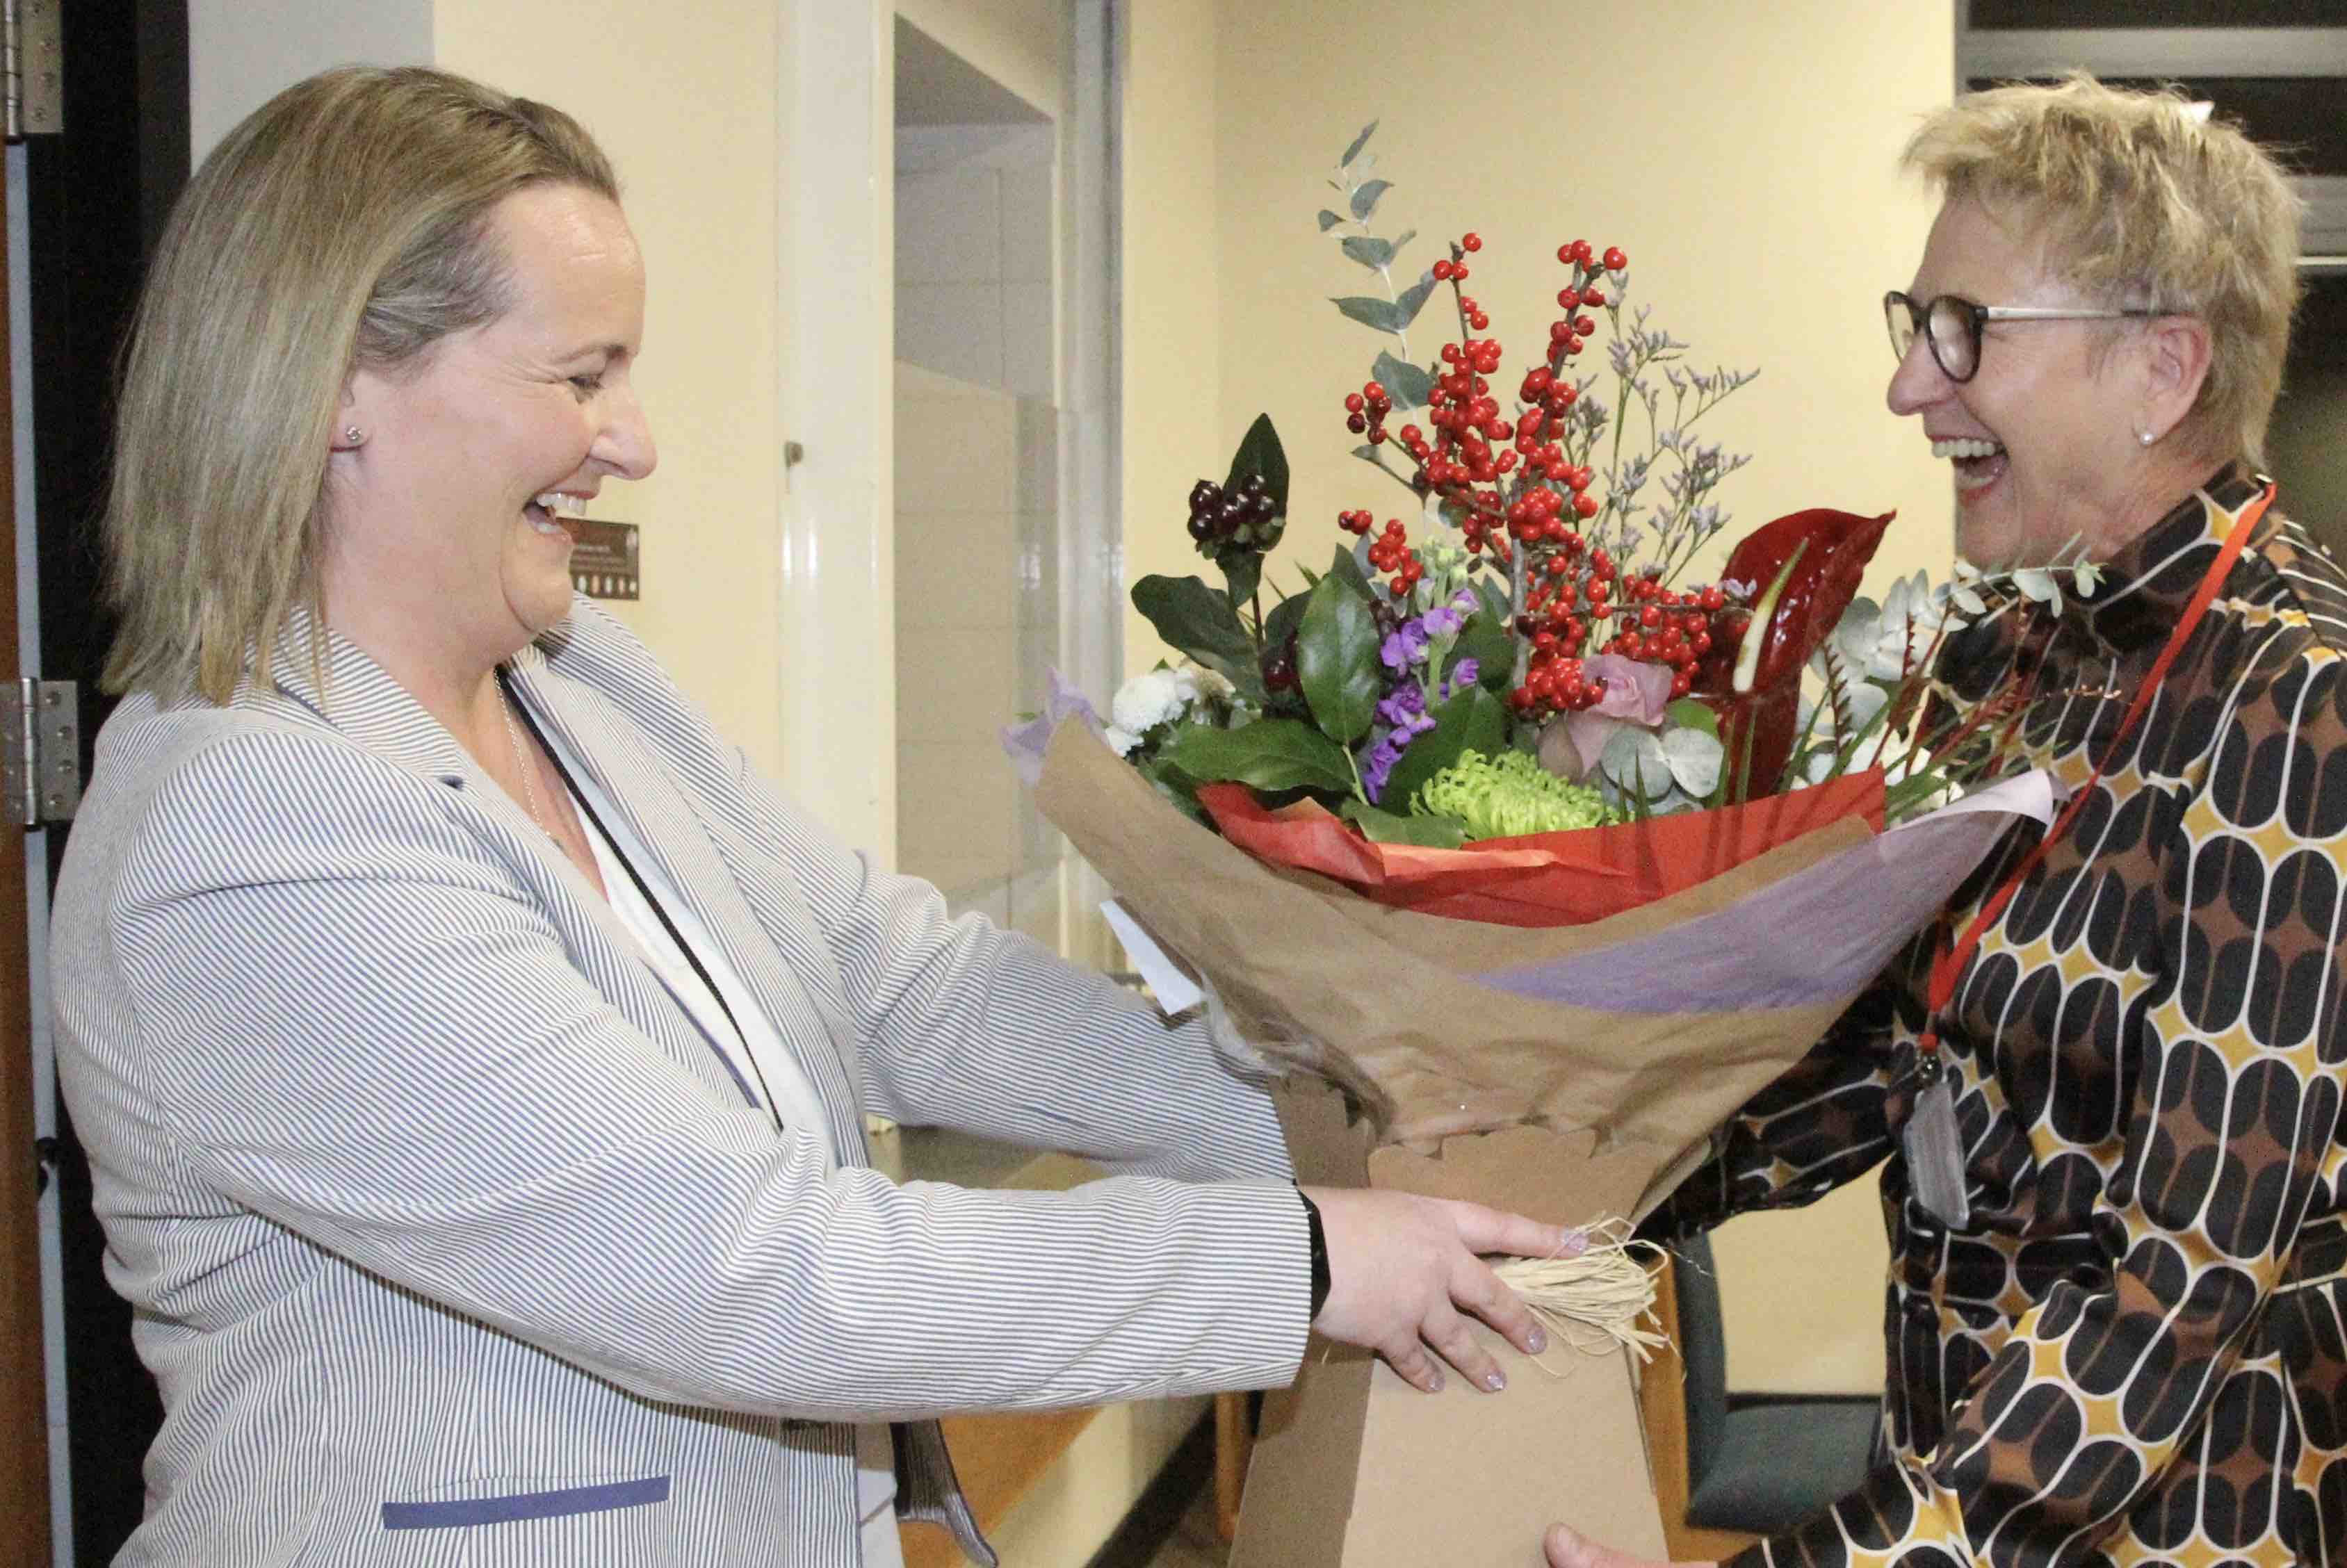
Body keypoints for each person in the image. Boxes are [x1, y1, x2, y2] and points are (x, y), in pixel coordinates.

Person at [51, 66, 1577, 1567]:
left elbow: (903, 982)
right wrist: (1299, 1257)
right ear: (336, 391)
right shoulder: (252, 828)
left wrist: (1372, 1116)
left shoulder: (581, 688)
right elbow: (743, 1271)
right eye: (579, 377)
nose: (632, 441)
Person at [1548, 76, 2347, 1568]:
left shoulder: (2299, 694)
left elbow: (2177, 1283)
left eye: (1964, 332)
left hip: (2201, 1513)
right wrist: (1570, 1191)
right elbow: (1891, 1061)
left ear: (2162, 368)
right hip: (1968, 1464)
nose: (1912, 387)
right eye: (1912, 327)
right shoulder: (2012, 652)